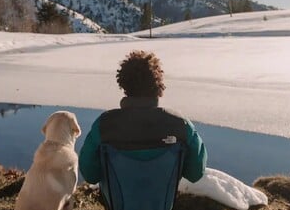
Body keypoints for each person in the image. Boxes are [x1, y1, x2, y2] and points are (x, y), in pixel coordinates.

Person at [79, 50, 207, 184]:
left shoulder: (104, 125)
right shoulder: (180, 125)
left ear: (123, 84)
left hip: (116, 203)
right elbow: (195, 174)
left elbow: (90, 175)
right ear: (158, 85)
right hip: (163, 203)